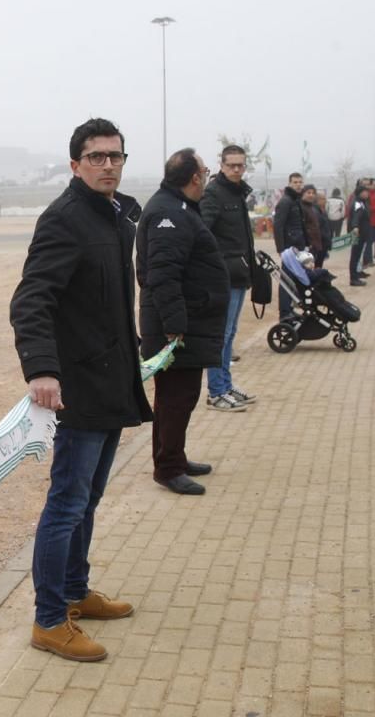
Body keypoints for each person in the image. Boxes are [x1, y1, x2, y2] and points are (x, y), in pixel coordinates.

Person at [11, 117, 149, 663]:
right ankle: (49, 619)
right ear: (75, 164)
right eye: (96, 157)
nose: (108, 165)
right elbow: (32, 300)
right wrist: (42, 369)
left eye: (116, 156)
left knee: (88, 498)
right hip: (79, 387)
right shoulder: (64, 220)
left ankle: (75, 590)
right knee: (67, 502)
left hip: (112, 379)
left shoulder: (116, 219)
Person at [136, 148, 225, 497]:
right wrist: (174, 325)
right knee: (175, 398)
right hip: (175, 327)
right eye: (205, 170)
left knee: (180, 397)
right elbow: (162, 275)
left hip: (187, 321)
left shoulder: (180, 208)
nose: (206, 175)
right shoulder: (166, 213)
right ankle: (168, 467)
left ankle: (174, 456)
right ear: (194, 177)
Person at [200, 145, 258, 412]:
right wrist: (220, 264)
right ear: (222, 165)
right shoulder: (213, 194)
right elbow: (203, 234)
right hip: (224, 275)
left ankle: (225, 383)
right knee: (220, 335)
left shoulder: (237, 193)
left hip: (239, 273)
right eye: (231, 165)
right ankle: (216, 390)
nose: (236, 169)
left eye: (240, 165)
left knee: (231, 332)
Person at [273, 172, 307, 319]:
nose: (298, 185)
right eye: (295, 182)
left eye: (300, 182)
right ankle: (284, 312)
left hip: (298, 246)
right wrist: (281, 248)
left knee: (294, 279)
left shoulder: (296, 200)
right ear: (289, 183)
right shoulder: (286, 201)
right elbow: (278, 226)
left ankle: (289, 309)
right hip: (289, 248)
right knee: (286, 280)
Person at [347, 185, 372, 286]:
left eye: (367, 192)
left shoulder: (363, 202)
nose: (367, 194)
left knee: (357, 256)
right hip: (357, 234)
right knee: (355, 256)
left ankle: (356, 275)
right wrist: (355, 226)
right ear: (359, 193)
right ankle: (353, 278)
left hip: (363, 233)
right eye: (364, 192)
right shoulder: (357, 203)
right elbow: (356, 217)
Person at [313, 190, 334, 267]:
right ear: (318, 200)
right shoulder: (315, 211)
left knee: (320, 263)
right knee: (317, 263)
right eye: (323, 199)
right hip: (320, 242)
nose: (326, 201)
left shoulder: (323, 210)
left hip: (324, 242)